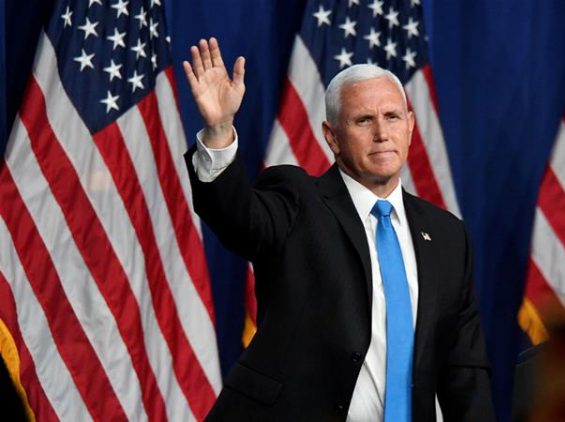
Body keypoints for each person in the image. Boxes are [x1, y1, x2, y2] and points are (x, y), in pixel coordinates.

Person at [182, 37, 495, 421]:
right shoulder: (297, 199)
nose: (382, 133)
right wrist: (219, 130)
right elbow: (238, 218)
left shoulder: (448, 235)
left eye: (392, 117)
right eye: (364, 120)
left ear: (411, 126)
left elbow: (464, 371)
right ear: (331, 136)